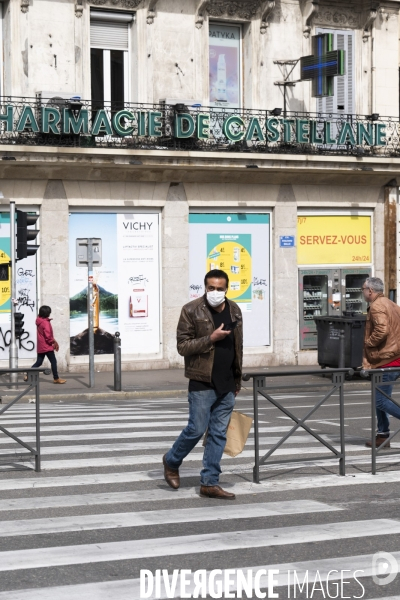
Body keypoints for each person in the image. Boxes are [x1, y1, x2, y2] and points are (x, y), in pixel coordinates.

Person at [163, 269, 243, 499]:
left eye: (220, 288)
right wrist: (211, 338)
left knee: (218, 434)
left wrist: (237, 378)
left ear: (226, 288)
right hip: (202, 380)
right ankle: (171, 460)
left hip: (227, 382)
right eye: (211, 288)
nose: (216, 292)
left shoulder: (235, 309)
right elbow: (183, 346)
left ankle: (209, 482)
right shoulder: (190, 310)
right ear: (204, 287)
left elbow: (238, 346)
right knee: (196, 429)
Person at [362, 277, 400, 447]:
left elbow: (382, 330)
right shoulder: (391, 304)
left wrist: (369, 343)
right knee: (381, 397)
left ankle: (383, 435)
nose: (362, 292)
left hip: (386, 360)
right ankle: (382, 435)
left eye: (363, 289)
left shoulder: (377, 306)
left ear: (370, 291)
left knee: (380, 400)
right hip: (394, 357)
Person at [29, 305, 66, 384]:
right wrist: (53, 342)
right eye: (49, 312)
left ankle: (28, 374)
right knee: (53, 361)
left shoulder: (39, 321)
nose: (50, 313)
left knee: (39, 362)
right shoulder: (45, 323)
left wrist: (53, 340)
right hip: (46, 346)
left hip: (41, 345)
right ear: (47, 313)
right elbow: (48, 336)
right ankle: (56, 378)